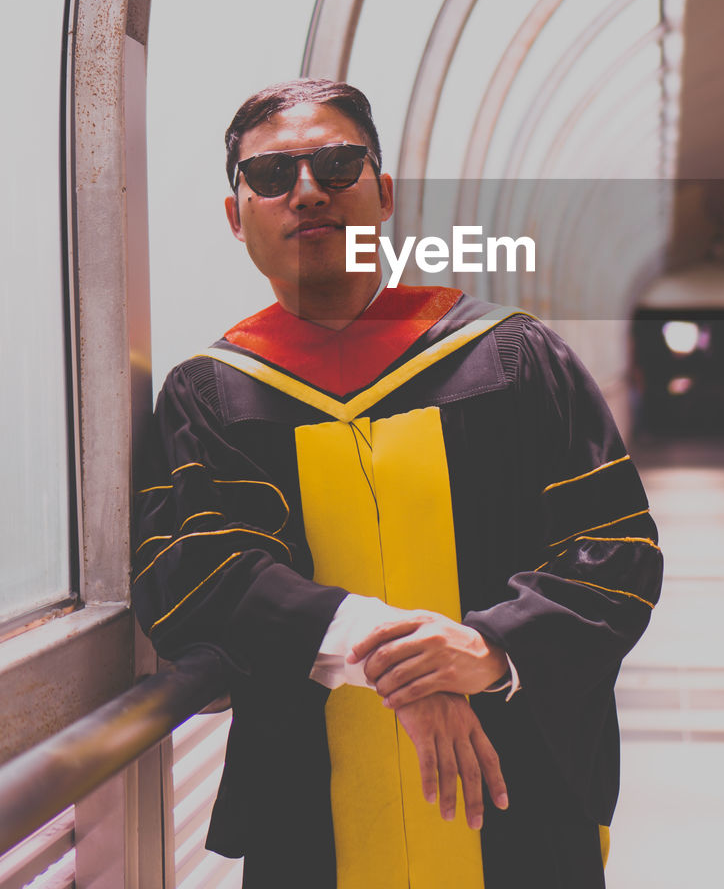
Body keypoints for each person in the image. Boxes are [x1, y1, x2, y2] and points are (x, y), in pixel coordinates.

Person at [132, 78, 662, 888]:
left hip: (518, 791)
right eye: (272, 176)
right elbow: (198, 576)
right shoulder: (211, 394)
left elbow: (614, 548)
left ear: (382, 195)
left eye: (337, 166)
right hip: (309, 808)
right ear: (237, 218)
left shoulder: (510, 359)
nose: (307, 191)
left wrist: (489, 647)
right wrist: (404, 664)